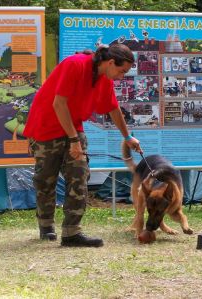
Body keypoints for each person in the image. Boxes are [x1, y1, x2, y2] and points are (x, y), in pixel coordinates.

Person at [24, 44, 142, 247]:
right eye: (122, 71)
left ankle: (71, 233)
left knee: (79, 175)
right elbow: (58, 104)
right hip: (46, 126)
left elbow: (113, 108)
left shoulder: (105, 78)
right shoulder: (75, 64)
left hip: (73, 126)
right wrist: (73, 141)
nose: (121, 77)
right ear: (111, 62)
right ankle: (46, 226)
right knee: (46, 180)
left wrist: (128, 137)